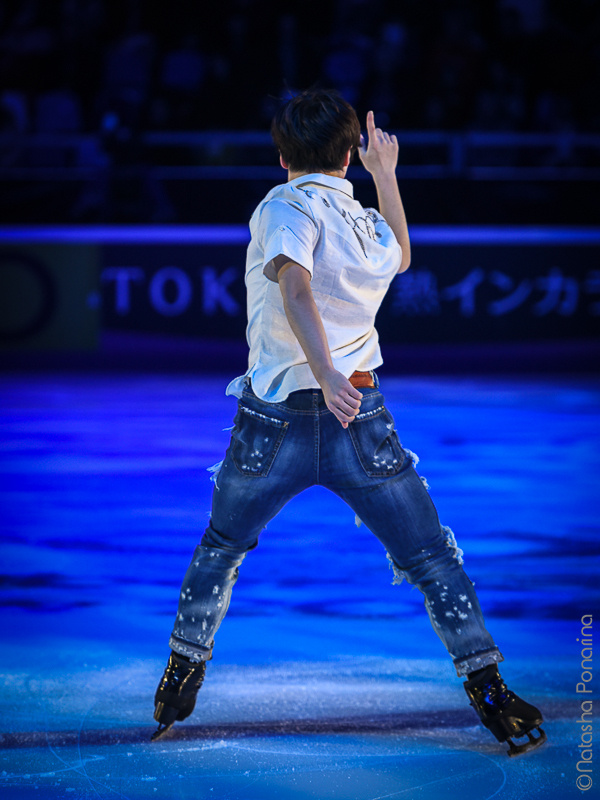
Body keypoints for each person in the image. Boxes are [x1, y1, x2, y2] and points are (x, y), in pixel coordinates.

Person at [151, 88, 546, 757]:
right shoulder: (359, 219)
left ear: (282, 155)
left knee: (222, 547)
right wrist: (385, 174)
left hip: (278, 422)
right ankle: (489, 687)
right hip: (356, 416)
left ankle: (182, 669)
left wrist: (324, 373)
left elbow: (311, 283)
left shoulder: (288, 203)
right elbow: (349, 268)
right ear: (348, 156)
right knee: (430, 558)